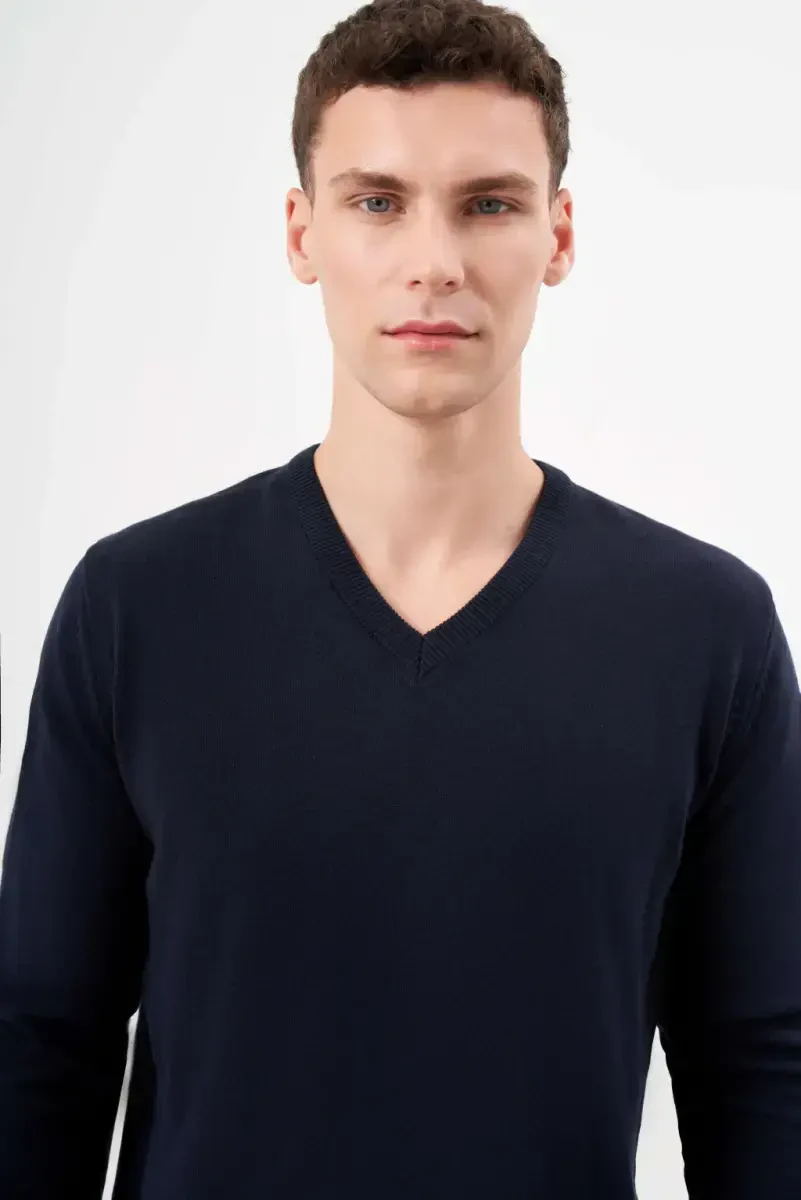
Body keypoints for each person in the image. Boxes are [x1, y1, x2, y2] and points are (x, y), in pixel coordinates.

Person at [2, 0, 800, 1195]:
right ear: (302, 232)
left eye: (489, 203)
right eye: (378, 201)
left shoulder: (706, 633)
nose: (435, 260)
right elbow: (37, 1049)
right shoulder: (136, 611)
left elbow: (764, 1072)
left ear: (559, 234)